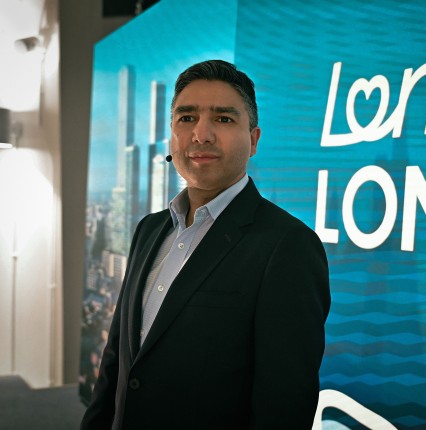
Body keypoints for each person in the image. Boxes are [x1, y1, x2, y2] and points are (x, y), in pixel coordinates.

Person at [81, 60, 331, 429]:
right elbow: (117, 358)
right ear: (172, 136)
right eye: (187, 118)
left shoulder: (288, 246)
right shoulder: (149, 229)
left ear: (254, 140)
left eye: (224, 119)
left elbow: (284, 404)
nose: (201, 134)